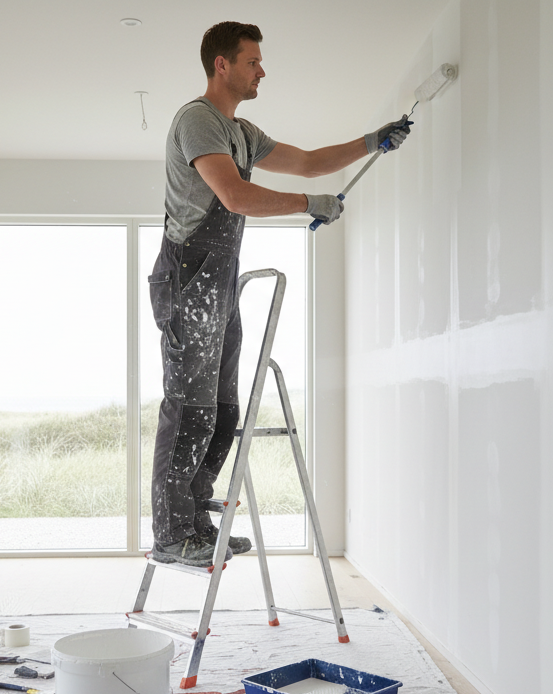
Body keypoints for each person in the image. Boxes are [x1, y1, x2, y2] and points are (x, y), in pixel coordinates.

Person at [148, 21, 411, 568]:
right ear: (222, 64)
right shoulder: (198, 121)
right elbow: (236, 195)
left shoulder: (242, 133)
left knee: (222, 411)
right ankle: (172, 534)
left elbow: (311, 161)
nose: (261, 70)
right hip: (187, 278)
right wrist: (306, 205)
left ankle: (197, 522)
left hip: (218, 286)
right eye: (252, 61)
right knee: (189, 409)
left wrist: (372, 142)